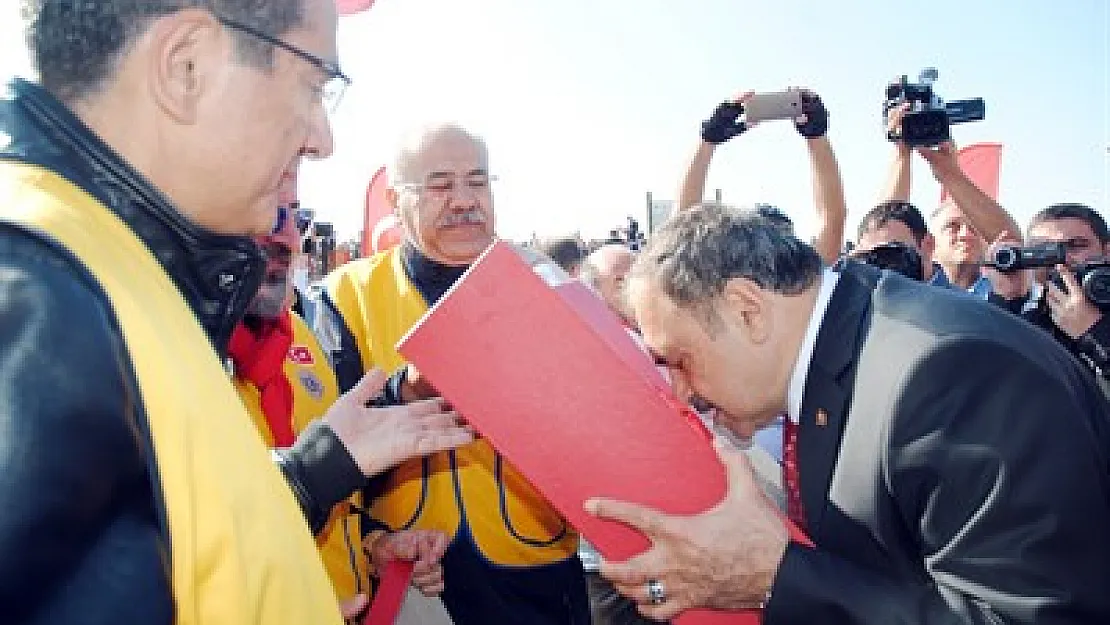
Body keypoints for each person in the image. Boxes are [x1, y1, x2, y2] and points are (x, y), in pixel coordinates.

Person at [0, 2, 469, 622]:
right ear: (185, 65)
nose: (321, 140)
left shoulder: (113, 278)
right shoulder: (40, 299)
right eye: (312, 83)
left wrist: (308, 479)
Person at [585, 203, 1110, 623]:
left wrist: (775, 576)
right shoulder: (850, 343)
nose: (681, 393)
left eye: (680, 361)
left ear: (747, 310)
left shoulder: (945, 370)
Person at [316, 123, 589, 625]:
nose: (464, 200)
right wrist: (408, 393)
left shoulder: (545, 285)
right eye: (440, 185)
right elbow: (321, 442)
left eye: (478, 181)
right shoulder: (345, 296)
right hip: (414, 577)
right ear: (397, 201)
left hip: (539, 571)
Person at [230, 200, 451, 611]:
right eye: (265, 210)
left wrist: (377, 545)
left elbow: (333, 493)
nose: (287, 236)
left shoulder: (301, 335)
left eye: (293, 216)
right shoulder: (162, 360)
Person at [678, 88, 847, 265]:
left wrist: (707, 141)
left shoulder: (804, 284)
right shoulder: (805, 286)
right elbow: (833, 219)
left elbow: (681, 230)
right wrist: (816, 135)